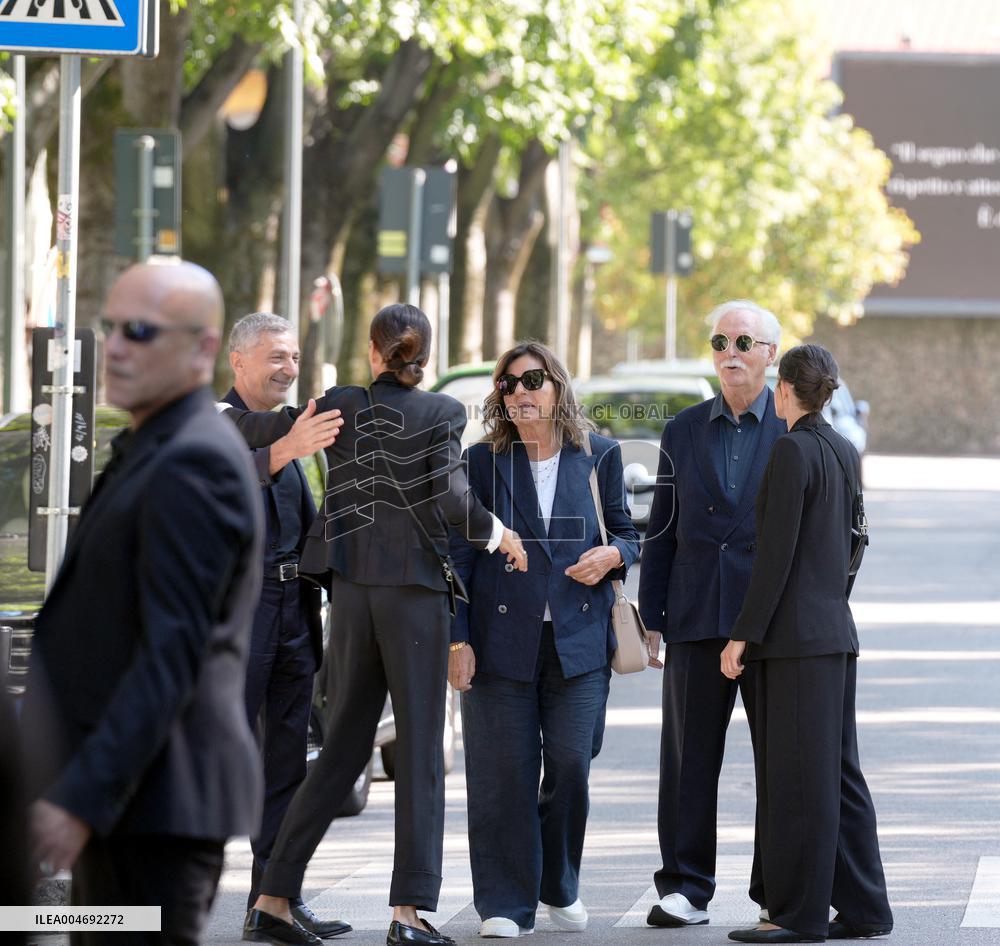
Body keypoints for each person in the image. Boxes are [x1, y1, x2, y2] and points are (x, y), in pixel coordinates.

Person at [227, 303, 527, 946]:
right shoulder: (441, 413)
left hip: (353, 598)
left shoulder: (341, 403)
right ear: (425, 357)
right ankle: (408, 914)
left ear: (373, 351)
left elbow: (252, 426)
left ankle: (272, 897)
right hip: (413, 600)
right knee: (419, 754)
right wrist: (500, 534)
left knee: (340, 752)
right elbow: (453, 501)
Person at [22, 261, 268, 946]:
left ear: (203, 348)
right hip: (129, 808)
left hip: (157, 810)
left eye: (139, 331)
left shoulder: (195, 459)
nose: (115, 348)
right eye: (110, 328)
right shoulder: (153, 443)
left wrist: (81, 799)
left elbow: (171, 657)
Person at [448, 342, 641, 939]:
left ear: (557, 386)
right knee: (501, 777)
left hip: (579, 642)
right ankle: (505, 904)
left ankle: (557, 884)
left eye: (532, 381)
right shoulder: (481, 462)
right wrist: (458, 640)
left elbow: (628, 533)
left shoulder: (600, 454)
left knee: (570, 767)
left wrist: (613, 555)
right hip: (499, 640)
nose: (520, 393)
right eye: (508, 385)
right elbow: (457, 555)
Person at [722, 344, 892, 944]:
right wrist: (831, 600)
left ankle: (795, 915)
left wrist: (742, 634)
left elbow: (775, 556)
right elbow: (855, 541)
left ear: (786, 390)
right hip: (832, 631)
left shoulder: (791, 450)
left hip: (793, 641)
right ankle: (865, 907)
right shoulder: (844, 449)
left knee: (796, 776)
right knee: (838, 772)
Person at [639, 300, 786, 927]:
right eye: (720, 341)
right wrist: (652, 616)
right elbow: (662, 525)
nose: (730, 352)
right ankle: (685, 886)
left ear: (770, 354)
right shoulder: (683, 429)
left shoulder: (794, 427)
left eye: (743, 342)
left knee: (776, 759)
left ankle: (776, 888)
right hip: (696, 612)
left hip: (770, 621)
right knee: (687, 760)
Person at [221, 313, 350, 939]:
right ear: (238, 361)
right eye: (276, 356)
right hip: (236, 620)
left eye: (295, 357)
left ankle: (272, 902)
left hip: (295, 613)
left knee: (286, 767)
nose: (289, 368)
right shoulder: (209, 423)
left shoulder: (295, 436)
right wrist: (284, 452)